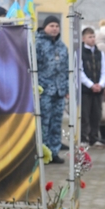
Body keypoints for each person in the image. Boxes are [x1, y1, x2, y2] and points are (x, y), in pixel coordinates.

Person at [35, 15, 68, 164]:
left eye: (57, 26)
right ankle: (43, 153)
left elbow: (66, 69)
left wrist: (66, 88)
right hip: (44, 91)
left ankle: (54, 152)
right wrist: (36, 89)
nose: (54, 29)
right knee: (43, 123)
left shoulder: (62, 46)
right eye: (51, 26)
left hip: (59, 91)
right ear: (45, 27)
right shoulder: (37, 44)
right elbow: (32, 68)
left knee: (56, 123)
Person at [80, 26, 105, 148]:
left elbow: (104, 71)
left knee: (96, 115)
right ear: (83, 38)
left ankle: (94, 137)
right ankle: (83, 138)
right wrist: (91, 85)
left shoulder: (99, 53)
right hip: (85, 90)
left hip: (98, 90)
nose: (92, 39)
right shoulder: (80, 53)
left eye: (93, 36)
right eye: (89, 37)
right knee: (84, 115)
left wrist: (100, 84)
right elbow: (80, 71)